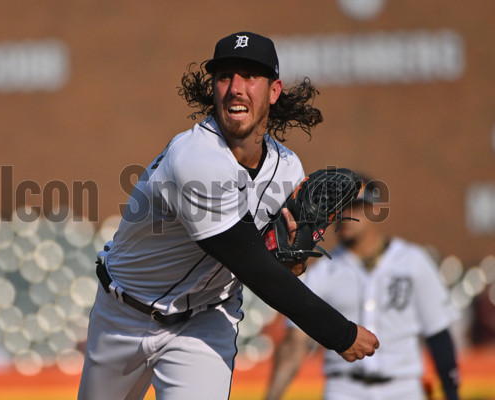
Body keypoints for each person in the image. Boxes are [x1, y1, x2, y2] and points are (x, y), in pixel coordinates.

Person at [77, 32, 379, 400]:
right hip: (123, 314)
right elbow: (250, 262)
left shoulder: (286, 169)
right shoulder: (194, 157)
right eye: (225, 76)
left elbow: (274, 264)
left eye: (250, 75)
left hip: (205, 322)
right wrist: (340, 333)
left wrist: (293, 261)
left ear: (273, 90)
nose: (236, 87)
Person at [265, 176, 461, 400]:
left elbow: (438, 334)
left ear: (375, 209)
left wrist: (452, 393)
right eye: (340, 208)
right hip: (343, 389)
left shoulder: (413, 261)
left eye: (355, 206)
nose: (345, 214)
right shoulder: (324, 271)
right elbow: (295, 341)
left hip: (404, 388)